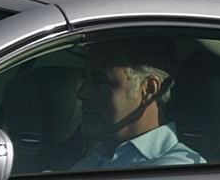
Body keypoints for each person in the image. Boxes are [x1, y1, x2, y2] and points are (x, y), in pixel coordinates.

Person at [68, 40, 203, 170]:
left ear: (149, 89)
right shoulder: (90, 163)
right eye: (85, 78)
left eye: (101, 81)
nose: (82, 92)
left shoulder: (179, 170)